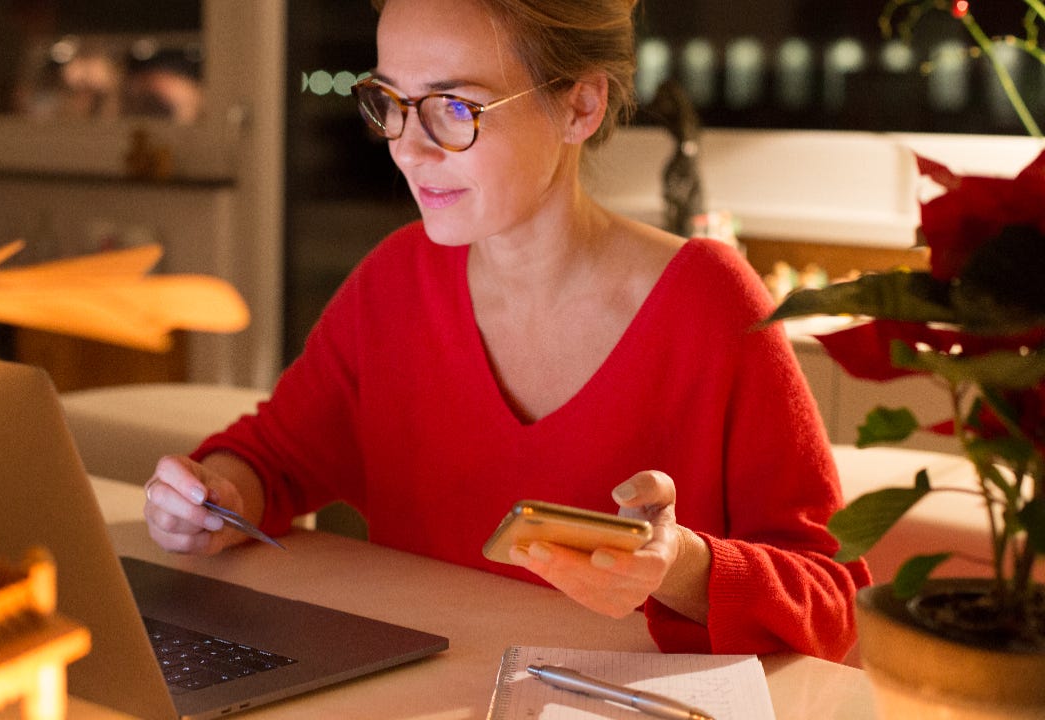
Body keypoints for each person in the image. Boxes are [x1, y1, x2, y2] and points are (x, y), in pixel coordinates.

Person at [144, 0, 870, 662]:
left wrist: (677, 564)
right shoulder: (396, 282)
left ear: (581, 105)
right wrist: (213, 500)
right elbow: (270, 462)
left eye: (455, 107)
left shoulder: (709, 304)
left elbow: (832, 604)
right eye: (390, 102)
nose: (409, 148)